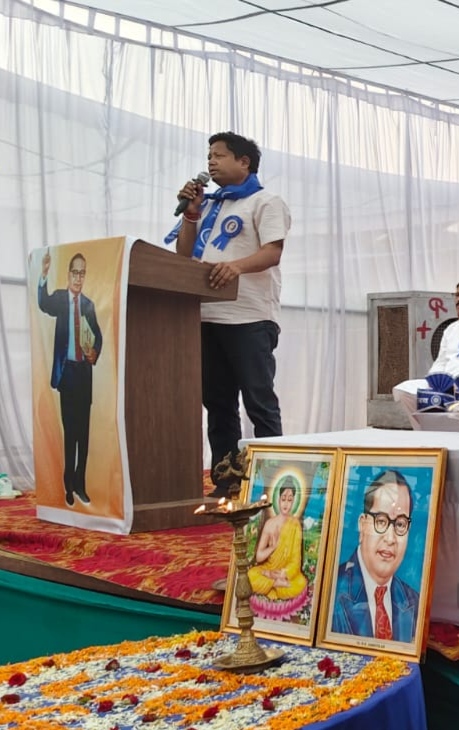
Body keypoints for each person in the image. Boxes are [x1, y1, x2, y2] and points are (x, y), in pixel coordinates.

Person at [172, 132, 289, 499]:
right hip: (207, 317)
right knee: (219, 405)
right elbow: (183, 255)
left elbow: (272, 252)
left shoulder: (265, 201)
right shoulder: (209, 206)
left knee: (259, 401)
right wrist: (191, 213)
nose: (211, 161)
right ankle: (228, 480)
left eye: (219, 155)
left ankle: (273, 484)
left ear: (244, 162)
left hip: (249, 317)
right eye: (209, 155)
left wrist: (236, 267)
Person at [36, 251, 102, 507]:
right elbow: (43, 304)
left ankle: (80, 484)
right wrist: (43, 274)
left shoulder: (89, 305)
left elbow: (98, 336)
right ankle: (68, 484)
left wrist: (95, 351)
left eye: (82, 273)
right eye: (75, 272)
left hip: (84, 374)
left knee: (84, 433)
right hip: (67, 375)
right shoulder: (61, 300)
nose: (78, 278)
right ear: (68, 275)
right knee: (70, 432)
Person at [332, 469, 419, 643]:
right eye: (381, 521)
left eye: (400, 524)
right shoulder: (331, 591)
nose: (390, 538)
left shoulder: (414, 602)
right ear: (362, 525)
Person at [391, 280, 459, 409]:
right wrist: (435, 381)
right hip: (447, 383)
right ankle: (423, 423)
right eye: (457, 295)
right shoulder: (451, 329)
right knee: (404, 389)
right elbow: (441, 361)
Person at [249, 475, 307, 601]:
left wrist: (283, 573)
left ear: (294, 502)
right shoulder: (270, 523)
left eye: (290, 500)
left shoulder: (295, 525)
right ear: (278, 499)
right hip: (268, 569)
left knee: (301, 583)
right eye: (283, 499)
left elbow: (296, 561)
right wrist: (272, 547)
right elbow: (259, 556)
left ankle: (272, 585)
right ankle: (276, 584)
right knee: (251, 575)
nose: (286, 503)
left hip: (282, 573)